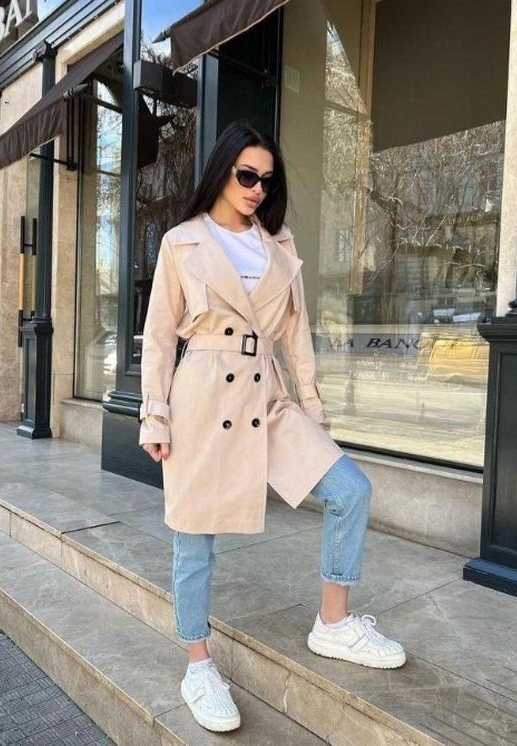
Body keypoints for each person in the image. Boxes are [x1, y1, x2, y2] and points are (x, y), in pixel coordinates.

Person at [139, 121, 405, 733]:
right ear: (222, 171)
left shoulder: (278, 244)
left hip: (268, 395)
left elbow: (296, 337)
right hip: (202, 398)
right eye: (247, 175)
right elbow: (158, 336)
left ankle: (333, 624)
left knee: (350, 489)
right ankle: (198, 665)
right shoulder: (182, 242)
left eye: (267, 179)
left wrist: (314, 412)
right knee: (193, 537)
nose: (258, 188)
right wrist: (156, 414)